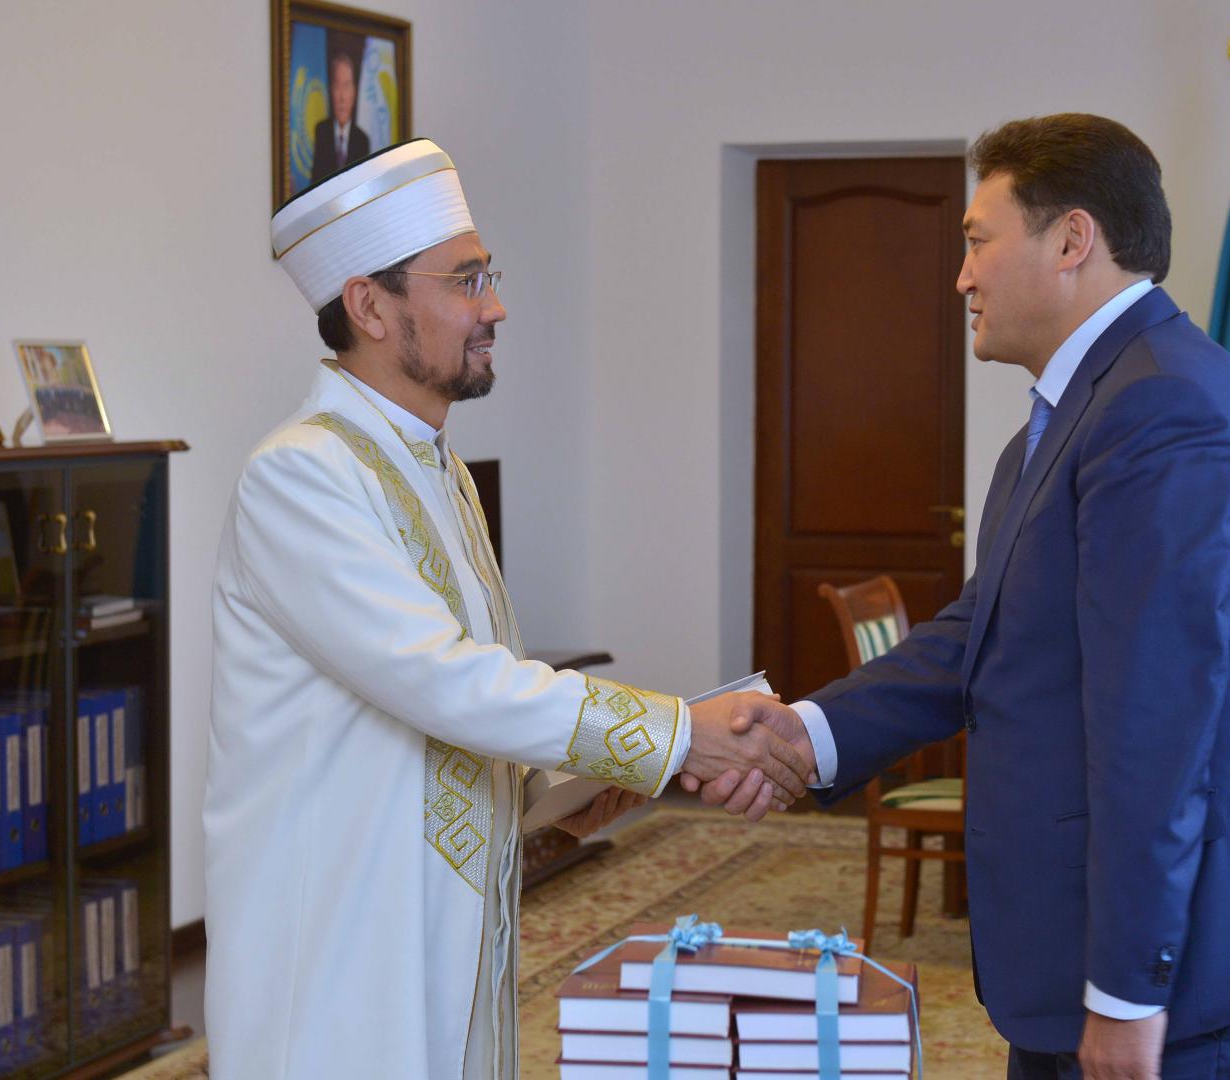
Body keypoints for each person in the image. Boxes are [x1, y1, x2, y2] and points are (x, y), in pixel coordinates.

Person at [700, 114, 1230, 1080]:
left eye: (978, 240)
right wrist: (806, 733)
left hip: (1183, 973)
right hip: (1087, 947)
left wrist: (1128, 990)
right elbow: (982, 634)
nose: (962, 276)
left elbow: (1157, 724)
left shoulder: (1159, 410)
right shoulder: (1081, 413)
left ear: (1072, 239)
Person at [206, 138, 808, 1080]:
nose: (495, 308)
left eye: (488, 277)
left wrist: (570, 787)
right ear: (370, 305)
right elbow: (441, 681)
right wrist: (676, 736)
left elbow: (465, 702)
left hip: (445, 918)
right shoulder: (301, 474)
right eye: (465, 281)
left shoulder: (438, 468)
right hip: (342, 939)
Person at [309, 50, 371, 183]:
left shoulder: (362, 140)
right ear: (330, 90)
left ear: (354, 92)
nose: (342, 97)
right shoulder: (321, 132)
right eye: (337, 86)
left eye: (347, 86)